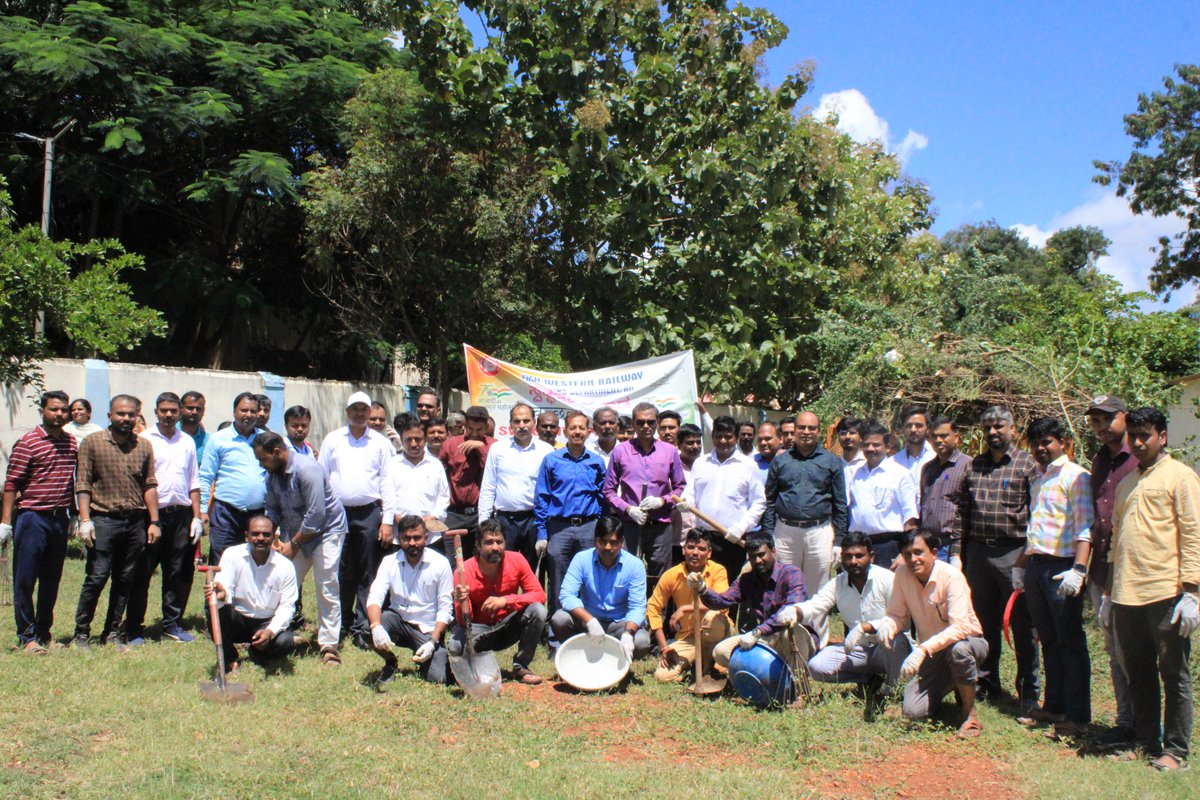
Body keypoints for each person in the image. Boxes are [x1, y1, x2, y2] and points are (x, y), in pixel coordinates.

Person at [1103, 407, 1198, 771]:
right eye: (1134, 436)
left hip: (1166, 592)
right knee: (1138, 672)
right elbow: (1115, 543)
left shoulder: (1180, 477)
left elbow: (1193, 535)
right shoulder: (1127, 482)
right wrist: (1109, 595)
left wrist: (1193, 593)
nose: (1139, 442)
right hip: (1128, 594)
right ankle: (1146, 742)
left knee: (1173, 673)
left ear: (1163, 437)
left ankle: (1176, 751)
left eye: (1146, 435)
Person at [859, 530, 988, 738]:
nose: (913, 559)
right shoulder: (902, 575)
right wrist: (888, 625)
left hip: (968, 642)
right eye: (907, 554)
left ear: (934, 553)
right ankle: (954, 681)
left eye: (919, 552)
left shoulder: (951, 576)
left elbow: (960, 627)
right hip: (933, 652)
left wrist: (922, 650)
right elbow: (897, 615)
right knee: (912, 711)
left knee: (959, 651)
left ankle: (969, 715)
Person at [955, 405, 1040, 709]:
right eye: (988, 428)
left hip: (1014, 552)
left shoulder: (1027, 465)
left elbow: (1037, 515)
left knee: (1022, 623)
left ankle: (1028, 691)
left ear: (1013, 430)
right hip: (978, 552)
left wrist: (1027, 559)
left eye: (1000, 426)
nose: (993, 432)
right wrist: (958, 555)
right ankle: (987, 682)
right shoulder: (973, 467)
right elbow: (962, 513)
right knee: (983, 621)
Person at [1014, 417, 1093, 739]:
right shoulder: (1039, 478)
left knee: (1070, 643)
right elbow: (1037, 526)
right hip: (1037, 565)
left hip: (1063, 568)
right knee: (1048, 640)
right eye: (1035, 443)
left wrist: (1080, 569)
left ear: (1063, 442)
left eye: (1047, 442)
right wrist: (1022, 565)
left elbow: (1085, 526)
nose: (1041, 449)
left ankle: (1077, 717)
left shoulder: (1077, 477)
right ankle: (1055, 706)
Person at [72, 395, 160, 651]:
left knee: (125, 579)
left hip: (134, 522)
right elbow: (83, 483)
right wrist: (85, 518)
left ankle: (111, 633)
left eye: (131, 414)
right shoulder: (93, 443)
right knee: (97, 577)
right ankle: (81, 633)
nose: (126, 419)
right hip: (103, 520)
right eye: (120, 414)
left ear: (137, 416)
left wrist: (154, 521)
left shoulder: (143, 446)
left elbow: (150, 484)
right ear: (110, 415)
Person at [257, 431, 348, 666]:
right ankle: (273, 633)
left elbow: (317, 515)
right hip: (296, 531)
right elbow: (273, 508)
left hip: (327, 531)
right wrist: (269, 533)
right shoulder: (272, 474)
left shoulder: (308, 470)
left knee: (326, 584)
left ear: (277, 452)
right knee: (283, 583)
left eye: (262, 459)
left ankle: (328, 644)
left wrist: (294, 544)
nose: (261, 464)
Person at [779, 532, 909, 692]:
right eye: (848, 556)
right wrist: (795, 610)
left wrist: (865, 627)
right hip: (860, 649)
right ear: (842, 558)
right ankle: (869, 678)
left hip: (888, 648)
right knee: (817, 666)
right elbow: (816, 605)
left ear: (872, 557)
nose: (853, 562)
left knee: (896, 641)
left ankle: (893, 690)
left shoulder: (887, 579)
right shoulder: (838, 583)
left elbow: (900, 618)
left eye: (859, 556)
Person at [760, 410, 848, 646]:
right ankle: (783, 641)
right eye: (802, 428)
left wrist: (839, 540)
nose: (806, 432)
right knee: (784, 585)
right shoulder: (781, 461)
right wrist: (769, 537)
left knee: (817, 589)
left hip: (819, 531)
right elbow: (769, 502)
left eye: (812, 428)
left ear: (819, 431)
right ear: (794, 430)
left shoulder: (831, 461)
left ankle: (816, 643)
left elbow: (840, 503)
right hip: (785, 531)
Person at [318, 392, 397, 650]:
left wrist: (386, 521)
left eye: (364, 409)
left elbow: (387, 482)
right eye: (355, 409)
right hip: (337, 513)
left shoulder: (380, 443)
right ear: (347, 411)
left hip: (369, 513)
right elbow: (322, 476)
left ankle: (363, 627)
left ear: (369, 411)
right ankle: (339, 624)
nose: (360, 413)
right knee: (338, 570)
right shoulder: (333, 440)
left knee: (367, 571)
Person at [2, 390, 78, 653]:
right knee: (26, 578)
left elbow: (71, 482)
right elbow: (11, 484)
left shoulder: (71, 443)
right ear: (43, 411)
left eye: (63, 410)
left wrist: (75, 515)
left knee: (51, 579)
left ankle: (44, 632)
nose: (59, 414)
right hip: (32, 518)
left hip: (59, 520)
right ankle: (27, 636)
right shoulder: (28, 442)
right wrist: (5, 523)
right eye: (54, 409)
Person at [127, 392, 203, 645]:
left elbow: (194, 481)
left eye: (173, 410)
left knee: (175, 571)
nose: (168, 415)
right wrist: (150, 519)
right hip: (151, 516)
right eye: (163, 410)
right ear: (156, 411)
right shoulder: (144, 439)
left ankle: (171, 624)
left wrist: (196, 517)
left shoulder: (187, 442)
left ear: (180, 411)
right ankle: (134, 626)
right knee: (143, 571)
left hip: (181, 516)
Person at [1084, 394, 1137, 749]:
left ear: (1125, 417)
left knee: (1135, 651)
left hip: (1132, 571)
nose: (1102, 427)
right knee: (1114, 650)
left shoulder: (1139, 460)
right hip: (1101, 569)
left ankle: (1145, 727)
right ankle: (1126, 722)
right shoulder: (1099, 461)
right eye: (1095, 421)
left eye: (1107, 419)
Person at [688, 531, 812, 670]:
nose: (758, 560)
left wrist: (757, 632)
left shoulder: (792, 573)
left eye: (761, 554)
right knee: (721, 652)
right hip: (766, 636)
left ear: (773, 552)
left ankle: (796, 685)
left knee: (790, 631)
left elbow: (791, 610)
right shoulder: (747, 580)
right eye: (753, 557)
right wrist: (702, 589)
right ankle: (763, 679)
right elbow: (721, 601)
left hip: (794, 635)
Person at [449, 519, 548, 685]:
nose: (495, 547)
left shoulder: (517, 560)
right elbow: (462, 622)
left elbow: (539, 595)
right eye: (488, 542)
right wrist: (460, 601)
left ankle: (521, 665)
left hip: (507, 627)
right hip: (478, 631)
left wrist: (506, 600)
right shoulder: (463, 571)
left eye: (499, 542)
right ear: (478, 546)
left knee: (538, 610)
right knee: (454, 646)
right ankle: (472, 667)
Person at [604, 402, 686, 584]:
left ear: (657, 422)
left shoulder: (670, 451)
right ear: (633, 424)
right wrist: (628, 509)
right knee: (625, 573)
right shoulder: (620, 451)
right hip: (629, 524)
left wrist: (662, 501)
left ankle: (656, 613)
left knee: (661, 577)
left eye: (650, 422)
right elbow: (608, 490)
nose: (646, 427)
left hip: (660, 525)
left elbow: (680, 486)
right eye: (640, 422)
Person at [534, 410, 606, 617]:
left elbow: (602, 497)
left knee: (589, 576)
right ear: (565, 431)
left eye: (581, 428)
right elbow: (542, 498)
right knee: (558, 577)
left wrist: (598, 525)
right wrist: (541, 533)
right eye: (572, 428)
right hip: (559, 527)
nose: (577, 432)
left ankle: (587, 624)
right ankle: (558, 629)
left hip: (588, 528)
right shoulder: (551, 460)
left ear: (589, 432)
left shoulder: (596, 462)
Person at [550, 517, 652, 663]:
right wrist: (590, 620)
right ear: (594, 540)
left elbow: (637, 607)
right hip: (588, 619)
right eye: (602, 541)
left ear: (622, 542)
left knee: (641, 641)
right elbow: (567, 595)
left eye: (613, 542)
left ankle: (617, 662)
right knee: (560, 619)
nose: (607, 547)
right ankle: (578, 656)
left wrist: (628, 634)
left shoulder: (635, 565)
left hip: (619, 623)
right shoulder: (581, 559)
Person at [367, 514, 453, 684]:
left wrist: (433, 641)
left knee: (440, 677)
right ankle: (391, 661)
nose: (412, 543)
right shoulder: (389, 562)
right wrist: (376, 627)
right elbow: (375, 596)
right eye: (407, 538)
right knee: (366, 629)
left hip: (427, 630)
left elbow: (445, 609)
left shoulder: (440, 563)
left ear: (426, 538)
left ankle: (425, 657)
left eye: (417, 538)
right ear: (399, 539)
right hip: (398, 620)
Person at [205, 514, 299, 671]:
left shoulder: (285, 566)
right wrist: (222, 594)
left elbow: (287, 606)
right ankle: (230, 658)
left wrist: (270, 631)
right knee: (215, 611)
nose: (260, 538)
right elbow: (224, 584)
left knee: (285, 641)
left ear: (274, 536)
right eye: (255, 534)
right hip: (238, 618)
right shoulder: (232, 555)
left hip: (265, 622)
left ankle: (257, 652)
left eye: (266, 534)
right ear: (246, 536)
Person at [681, 415, 764, 579]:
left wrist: (741, 527)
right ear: (712, 437)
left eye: (728, 436)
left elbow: (759, 503)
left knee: (728, 588)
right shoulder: (701, 463)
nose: (723, 441)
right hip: (703, 539)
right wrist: (686, 501)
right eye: (719, 436)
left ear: (736, 437)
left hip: (732, 540)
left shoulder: (748, 466)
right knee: (701, 585)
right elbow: (691, 491)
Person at [648, 529, 732, 682]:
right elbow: (653, 607)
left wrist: (685, 608)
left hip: (719, 634)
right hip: (689, 637)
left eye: (701, 549)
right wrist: (664, 647)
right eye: (691, 547)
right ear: (683, 549)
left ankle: (710, 667)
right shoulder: (672, 575)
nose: (695, 552)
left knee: (712, 616)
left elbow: (722, 603)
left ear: (709, 553)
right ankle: (697, 664)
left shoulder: (718, 571)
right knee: (663, 676)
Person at [478, 403, 553, 566]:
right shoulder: (498, 449)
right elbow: (488, 487)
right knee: (502, 568)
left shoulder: (546, 451)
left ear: (534, 423)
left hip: (534, 520)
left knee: (534, 571)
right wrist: (483, 522)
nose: (522, 426)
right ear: (510, 425)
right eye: (517, 421)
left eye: (526, 421)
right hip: (505, 520)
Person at [198, 392, 265, 563]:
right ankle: (216, 591)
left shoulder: (264, 440)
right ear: (234, 411)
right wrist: (203, 509)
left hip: (258, 514)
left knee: (254, 563)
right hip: (226, 514)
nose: (248, 415)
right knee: (221, 561)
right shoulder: (218, 439)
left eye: (253, 411)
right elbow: (205, 477)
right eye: (244, 410)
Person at [846, 419, 919, 569]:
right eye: (866, 444)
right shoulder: (855, 473)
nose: (871, 448)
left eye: (876, 444)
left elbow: (910, 517)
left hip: (889, 545)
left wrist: (905, 552)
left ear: (887, 447)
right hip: (859, 545)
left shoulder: (900, 474)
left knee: (889, 591)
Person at [439, 405, 496, 559]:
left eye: (480, 430)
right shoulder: (450, 445)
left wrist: (482, 449)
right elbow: (438, 473)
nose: (475, 434)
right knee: (453, 561)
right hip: (454, 513)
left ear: (487, 427)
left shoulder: (494, 446)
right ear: (464, 426)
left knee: (478, 560)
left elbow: (496, 473)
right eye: (471, 429)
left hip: (480, 513)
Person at [387, 417, 450, 540]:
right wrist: (395, 516)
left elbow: (443, 497)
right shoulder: (391, 465)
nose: (413, 444)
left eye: (418, 439)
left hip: (430, 536)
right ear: (401, 440)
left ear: (425, 439)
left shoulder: (435, 465)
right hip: (398, 535)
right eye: (408, 440)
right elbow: (386, 495)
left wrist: (433, 517)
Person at [919, 416, 970, 566]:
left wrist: (956, 553)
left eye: (944, 435)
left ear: (956, 437)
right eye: (934, 436)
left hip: (953, 547)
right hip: (929, 546)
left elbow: (967, 512)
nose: (938, 440)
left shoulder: (967, 465)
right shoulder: (927, 468)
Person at [889, 405, 935, 495]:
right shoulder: (893, 463)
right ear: (902, 428)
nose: (913, 430)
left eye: (919, 425)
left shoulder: (936, 458)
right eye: (909, 426)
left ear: (928, 428)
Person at [836, 416, 866, 487]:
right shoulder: (835, 465)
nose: (847, 437)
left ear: (861, 437)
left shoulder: (868, 463)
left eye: (852, 433)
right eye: (843, 433)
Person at [180, 391, 208, 465]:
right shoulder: (168, 434)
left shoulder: (208, 441)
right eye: (190, 408)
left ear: (203, 411)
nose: (194, 412)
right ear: (181, 409)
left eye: (198, 409)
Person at [752, 421, 781, 486]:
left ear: (780, 438)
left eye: (768, 438)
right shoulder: (749, 463)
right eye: (760, 439)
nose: (763, 443)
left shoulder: (789, 463)